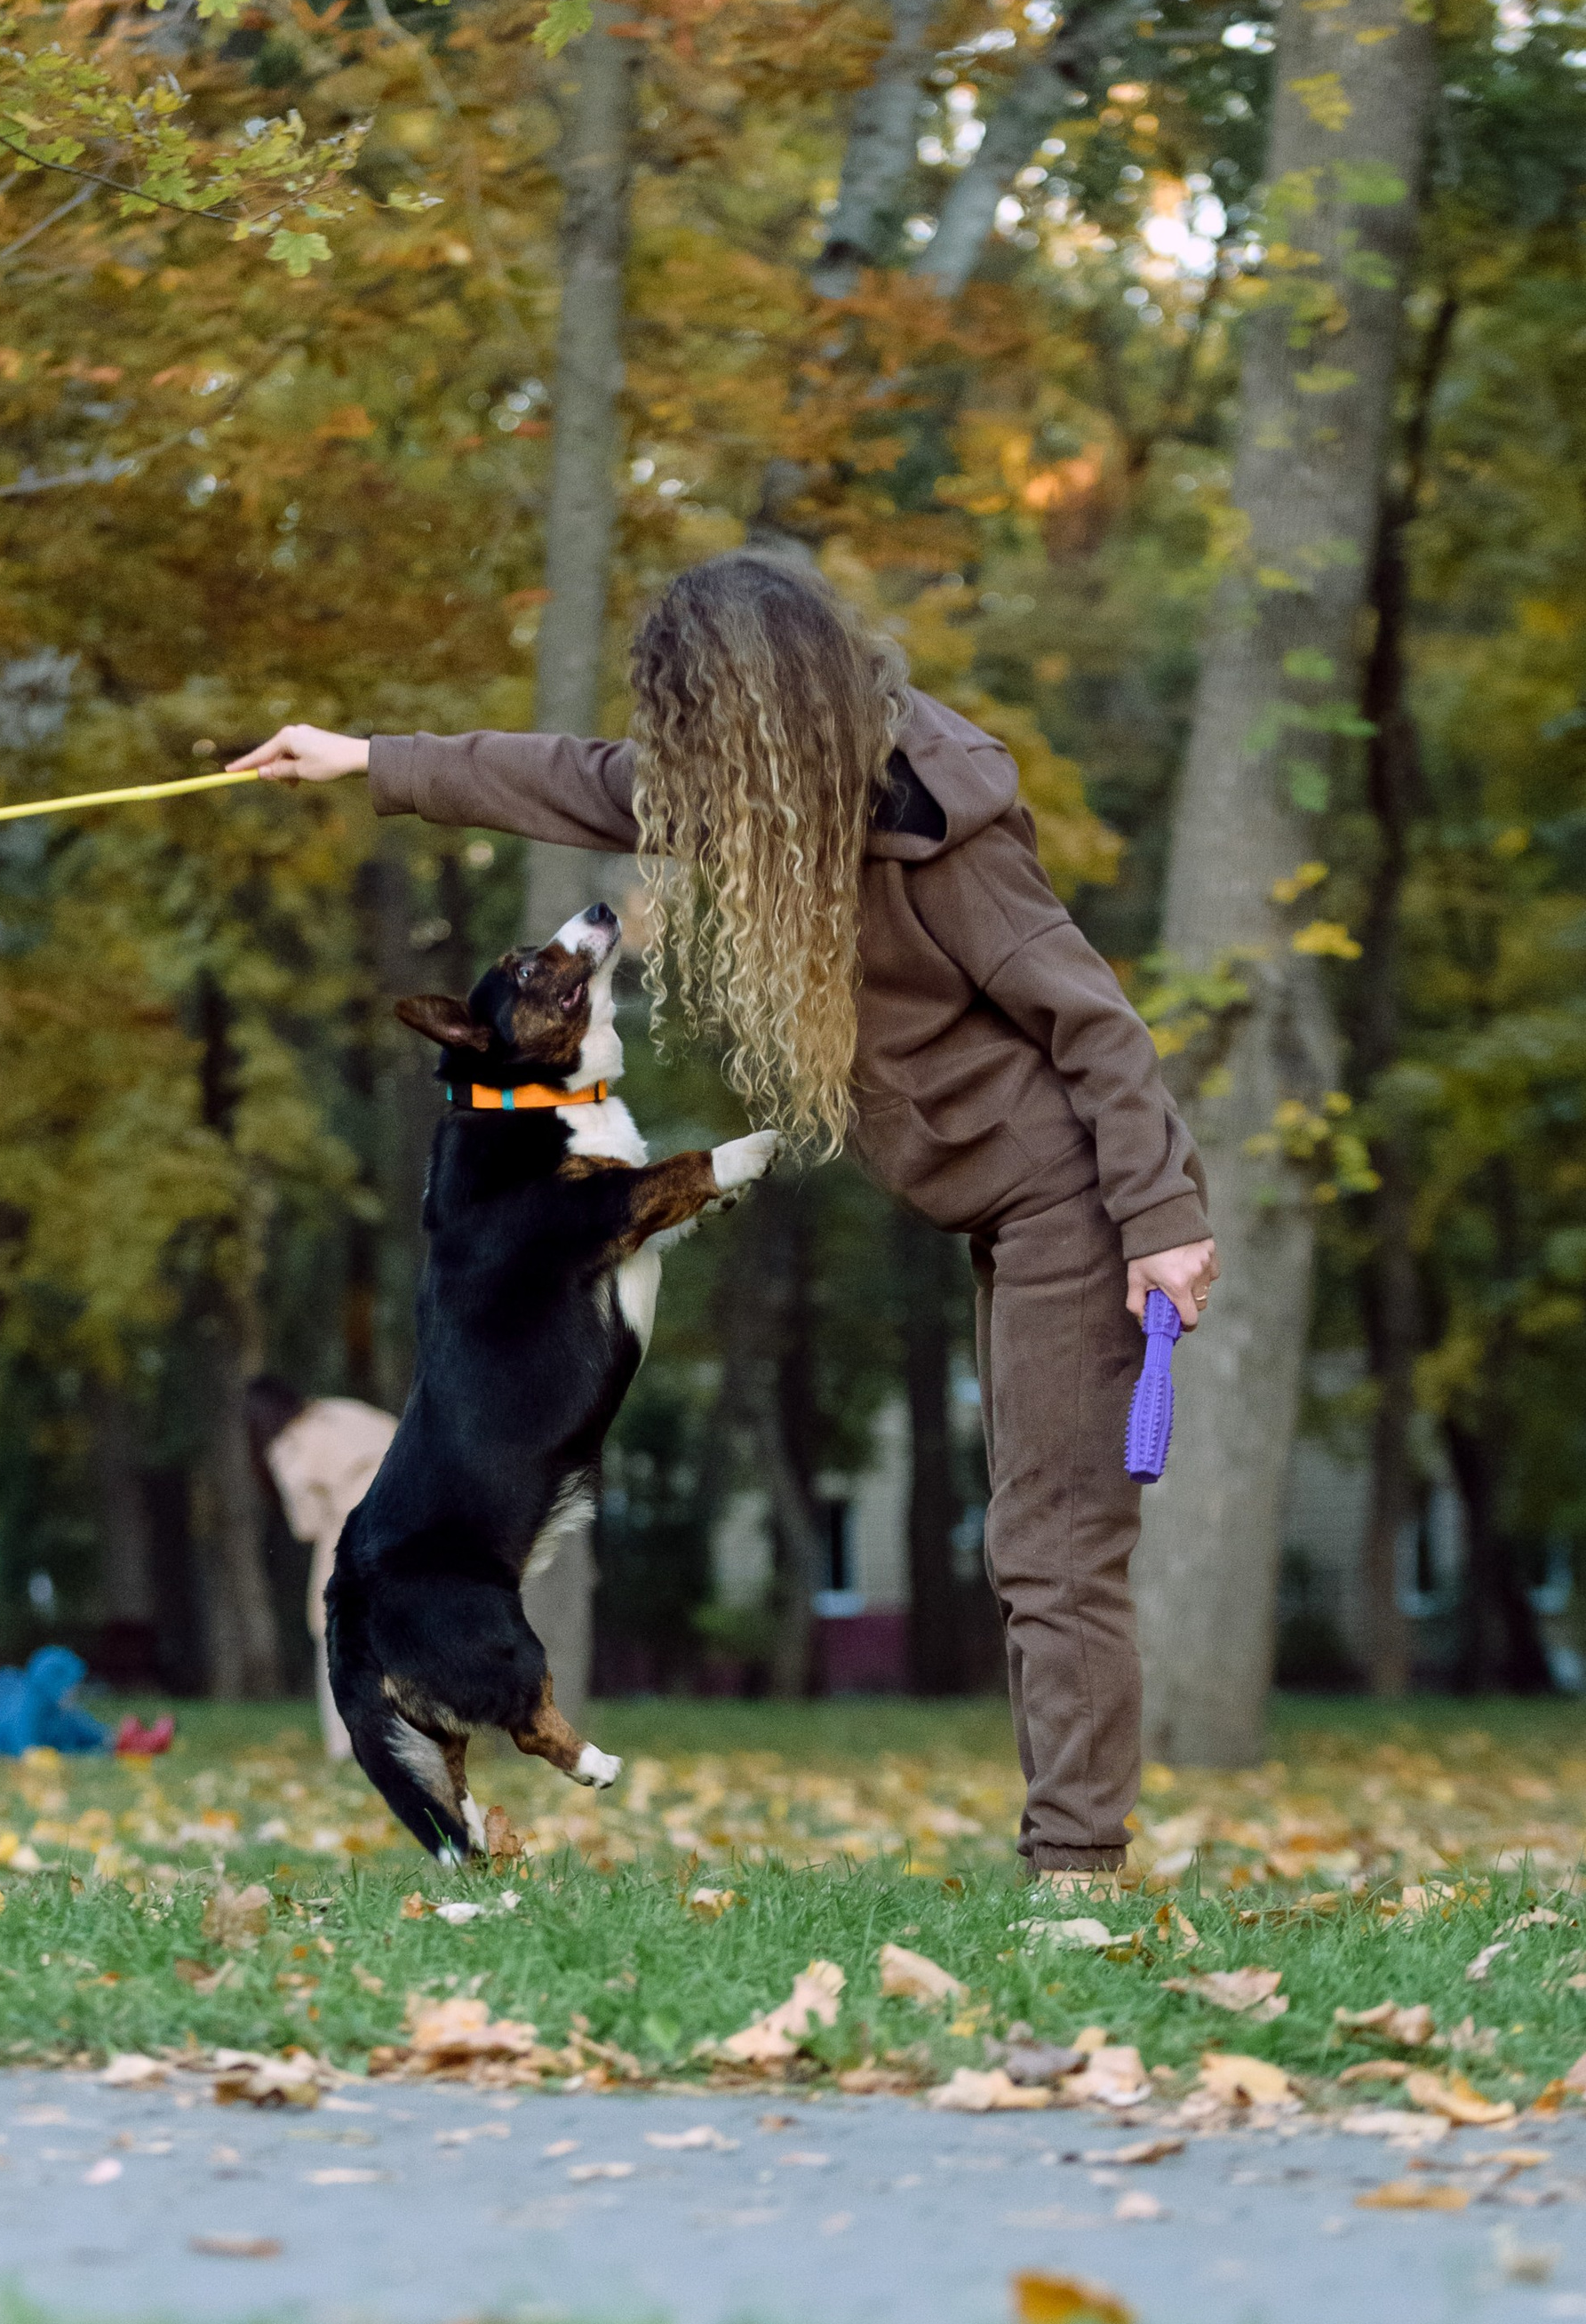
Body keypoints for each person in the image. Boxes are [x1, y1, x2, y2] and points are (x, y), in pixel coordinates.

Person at [232, 550, 1217, 1889]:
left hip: (1075, 1201)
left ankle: (1077, 1872)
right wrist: (365, 759)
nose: (672, 761)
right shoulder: (752, 796)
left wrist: (1159, 1215)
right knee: (1033, 1547)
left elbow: (1092, 1022)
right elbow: (571, 776)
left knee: (1052, 1548)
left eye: (692, 726)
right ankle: (1072, 1858)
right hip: (994, 1202)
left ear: (762, 712)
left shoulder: (940, 822)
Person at [249, 1379, 400, 1761]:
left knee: (337, 1638)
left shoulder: (289, 1446)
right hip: (408, 1521)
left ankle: (349, 1744)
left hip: (352, 1536)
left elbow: (307, 1524)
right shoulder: (343, 1409)